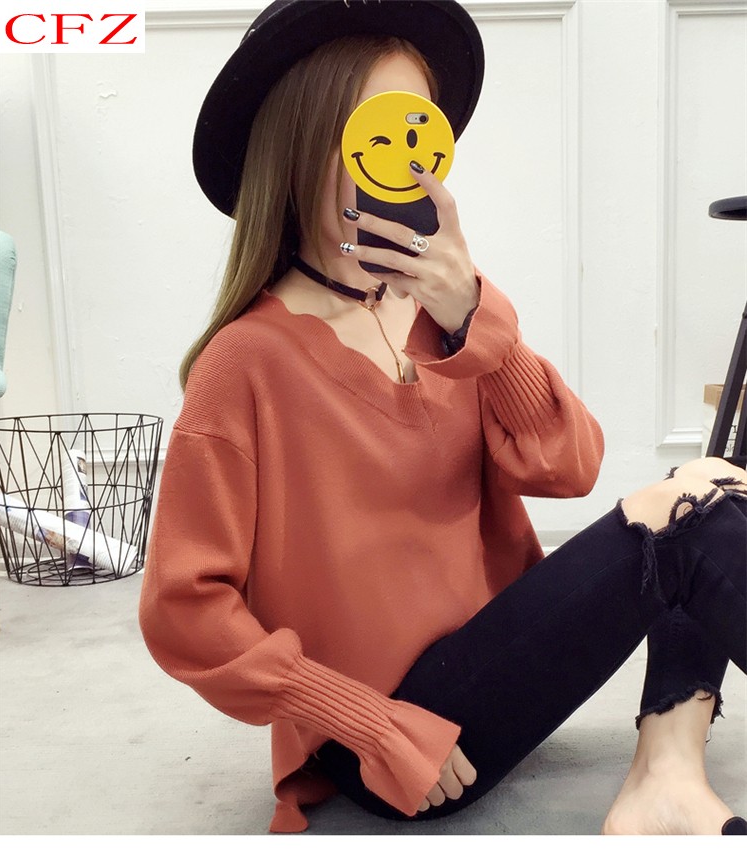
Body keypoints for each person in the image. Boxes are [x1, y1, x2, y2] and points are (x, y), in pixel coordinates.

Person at [138, 0, 747, 836]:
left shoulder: (448, 314)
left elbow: (568, 467)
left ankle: (666, 774)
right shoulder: (245, 363)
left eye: (418, 133)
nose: (403, 166)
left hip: (497, 662)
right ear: (301, 146)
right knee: (693, 509)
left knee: (704, 489)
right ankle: (664, 779)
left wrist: (474, 322)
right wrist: (367, 722)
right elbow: (183, 609)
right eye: (374, 136)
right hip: (395, 740)